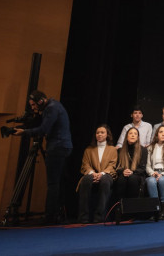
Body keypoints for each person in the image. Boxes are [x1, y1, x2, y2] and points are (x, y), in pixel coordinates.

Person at [13, 90, 73, 224]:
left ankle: (50, 217)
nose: (33, 108)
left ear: (40, 101)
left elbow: (43, 130)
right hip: (64, 146)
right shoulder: (55, 105)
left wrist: (24, 132)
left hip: (57, 147)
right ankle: (58, 214)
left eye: (34, 105)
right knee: (58, 182)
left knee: (52, 183)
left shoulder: (51, 109)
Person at [77, 124, 117, 223]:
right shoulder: (89, 149)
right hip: (92, 174)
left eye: (102, 132)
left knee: (105, 181)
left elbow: (112, 165)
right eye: (97, 133)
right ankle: (83, 217)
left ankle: (99, 216)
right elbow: (85, 164)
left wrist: (102, 173)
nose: (99, 134)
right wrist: (92, 173)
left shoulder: (112, 149)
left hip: (107, 174)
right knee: (85, 180)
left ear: (107, 135)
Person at [146, 125, 164, 219]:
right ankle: (155, 209)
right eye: (161, 132)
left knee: (161, 180)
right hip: (153, 172)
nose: (163, 134)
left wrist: (162, 174)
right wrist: (152, 173)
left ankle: (163, 210)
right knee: (151, 181)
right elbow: (148, 165)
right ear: (157, 134)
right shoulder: (151, 147)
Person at [115, 127, 148, 200]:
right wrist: (123, 171)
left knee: (132, 179)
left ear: (138, 137)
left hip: (137, 175)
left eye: (135, 134)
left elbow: (143, 168)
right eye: (130, 133)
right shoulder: (120, 150)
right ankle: (120, 206)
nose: (133, 135)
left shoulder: (143, 150)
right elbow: (117, 167)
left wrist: (132, 172)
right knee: (121, 180)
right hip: (124, 173)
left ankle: (131, 206)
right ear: (127, 136)